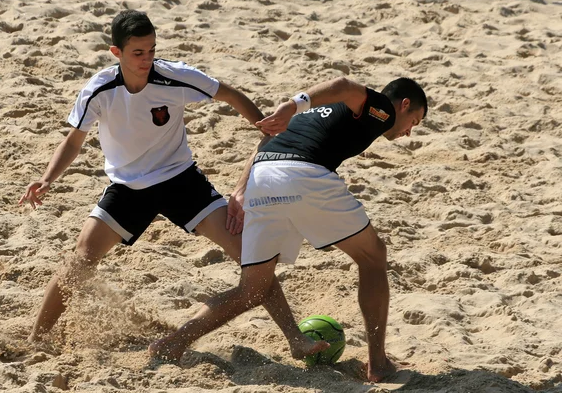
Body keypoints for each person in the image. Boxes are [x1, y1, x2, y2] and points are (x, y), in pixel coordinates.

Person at [18, 9, 328, 360]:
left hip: (180, 180)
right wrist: (46, 178)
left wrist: (263, 124)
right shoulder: (100, 90)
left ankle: (295, 339)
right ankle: (35, 340)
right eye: (138, 53)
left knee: (252, 257)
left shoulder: (175, 77)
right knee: (81, 258)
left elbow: (230, 95)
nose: (147, 59)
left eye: (151, 50)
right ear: (116, 53)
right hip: (128, 188)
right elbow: (73, 142)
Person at [148, 76, 428, 383]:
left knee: (252, 290)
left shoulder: (321, 113)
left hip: (263, 176)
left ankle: (173, 343)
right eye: (413, 121)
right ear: (403, 105)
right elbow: (345, 83)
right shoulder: (383, 109)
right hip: (303, 173)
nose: (409, 132)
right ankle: (378, 364)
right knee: (373, 257)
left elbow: (268, 138)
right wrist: (294, 103)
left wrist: (241, 189)